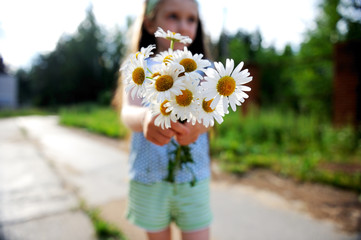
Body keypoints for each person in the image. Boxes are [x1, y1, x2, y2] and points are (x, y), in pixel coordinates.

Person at [113, 0, 213, 239]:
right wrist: (146, 117)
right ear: (149, 23)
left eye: (191, 19)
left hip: (193, 176)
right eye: (173, 16)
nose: (183, 26)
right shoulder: (140, 68)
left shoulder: (204, 70)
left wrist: (197, 128)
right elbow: (128, 112)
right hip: (149, 176)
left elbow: (211, 115)